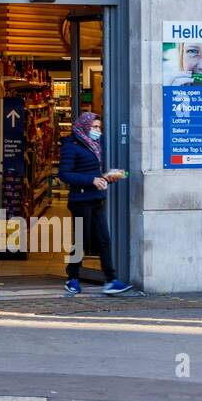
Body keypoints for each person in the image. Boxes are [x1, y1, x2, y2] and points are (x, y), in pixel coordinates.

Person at [59, 112, 132, 296]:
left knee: (104, 240)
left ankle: (111, 280)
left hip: (96, 198)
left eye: (99, 127)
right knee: (81, 241)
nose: (98, 131)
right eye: (94, 127)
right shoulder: (72, 146)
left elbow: (93, 173)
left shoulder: (94, 145)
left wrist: (106, 177)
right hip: (80, 200)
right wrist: (91, 180)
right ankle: (72, 278)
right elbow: (64, 174)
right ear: (84, 126)